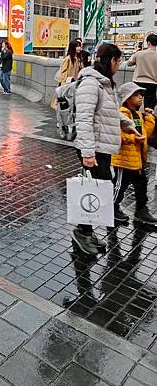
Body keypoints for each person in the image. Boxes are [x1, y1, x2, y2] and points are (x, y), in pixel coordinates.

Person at [73, 44, 124, 254]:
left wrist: (127, 124)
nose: (119, 65)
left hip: (101, 146)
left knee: (99, 189)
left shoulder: (105, 83)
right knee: (95, 190)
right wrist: (87, 153)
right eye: (118, 61)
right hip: (92, 147)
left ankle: (87, 231)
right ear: (110, 60)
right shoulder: (91, 83)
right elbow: (83, 119)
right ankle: (82, 232)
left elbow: (108, 113)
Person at [111, 82, 157, 225]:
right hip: (123, 160)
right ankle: (112, 209)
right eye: (136, 95)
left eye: (141, 95)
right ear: (127, 98)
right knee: (119, 187)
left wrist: (149, 118)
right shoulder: (122, 113)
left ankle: (141, 210)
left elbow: (146, 134)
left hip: (137, 160)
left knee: (142, 185)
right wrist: (133, 139)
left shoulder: (138, 114)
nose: (140, 98)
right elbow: (117, 135)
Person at [127, 33, 157, 109]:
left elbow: (129, 64)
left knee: (135, 104)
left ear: (148, 43)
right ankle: (149, 119)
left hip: (138, 81)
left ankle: (135, 118)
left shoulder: (139, 54)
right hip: (152, 83)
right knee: (149, 107)